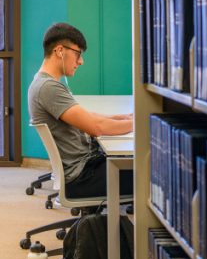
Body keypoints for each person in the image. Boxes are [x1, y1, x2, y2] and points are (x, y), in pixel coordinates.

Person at [28, 22, 133, 199]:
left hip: (84, 169)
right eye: (77, 54)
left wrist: (121, 118)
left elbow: (87, 117)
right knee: (152, 172)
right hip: (83, 177)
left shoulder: (45, 83)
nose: (81, 61)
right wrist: (140, 124)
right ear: (60, 51)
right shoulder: (48, 87)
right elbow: (96, 128)